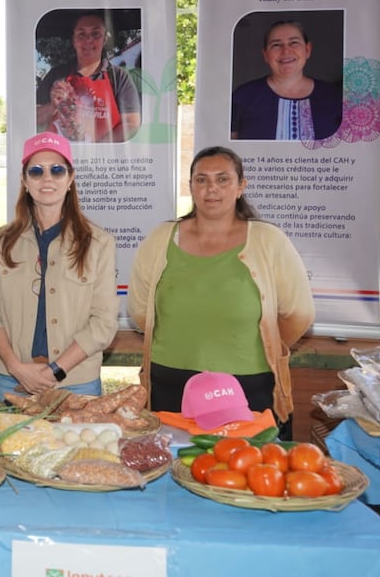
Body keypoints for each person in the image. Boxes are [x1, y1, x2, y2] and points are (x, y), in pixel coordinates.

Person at [127, 146, 315, 440]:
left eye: (223, 179)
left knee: (248, 474)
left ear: (241, 186)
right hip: (170, 382)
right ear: (190, 187)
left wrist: (253, 346)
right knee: (172, 469)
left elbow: (298, 314)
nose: (211, 188)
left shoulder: (268, 240)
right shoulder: (161, 238)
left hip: (247, 384)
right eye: (201, 180)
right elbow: (140, 311)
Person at [0, 132, 118, 401]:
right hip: (14, 382)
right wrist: (15, 367)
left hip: (76, 383)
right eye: (36, 171)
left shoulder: (99, 243)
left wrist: (55, 371)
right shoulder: (0, 242)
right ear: (24, 180)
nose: (47, 178)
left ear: (70, 179)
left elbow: (103, 322)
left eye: (57, 170)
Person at [35, 12, 141, 142]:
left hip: (103, 159)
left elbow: (131, 123)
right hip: (60, 158)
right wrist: (52, 105)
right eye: (81, 34)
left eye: (95, 34)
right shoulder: (56, 75)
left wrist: (98, 150)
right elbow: (35, 118)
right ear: (74, 40)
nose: (89, 40)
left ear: (105, 39)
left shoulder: (119, 77)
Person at [231, 20, 342, 141]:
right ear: (266, 55)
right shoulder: (243, 96)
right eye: (276, 45)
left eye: (294, 42)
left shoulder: (334, 96)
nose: (286, 51)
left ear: (307, 49)